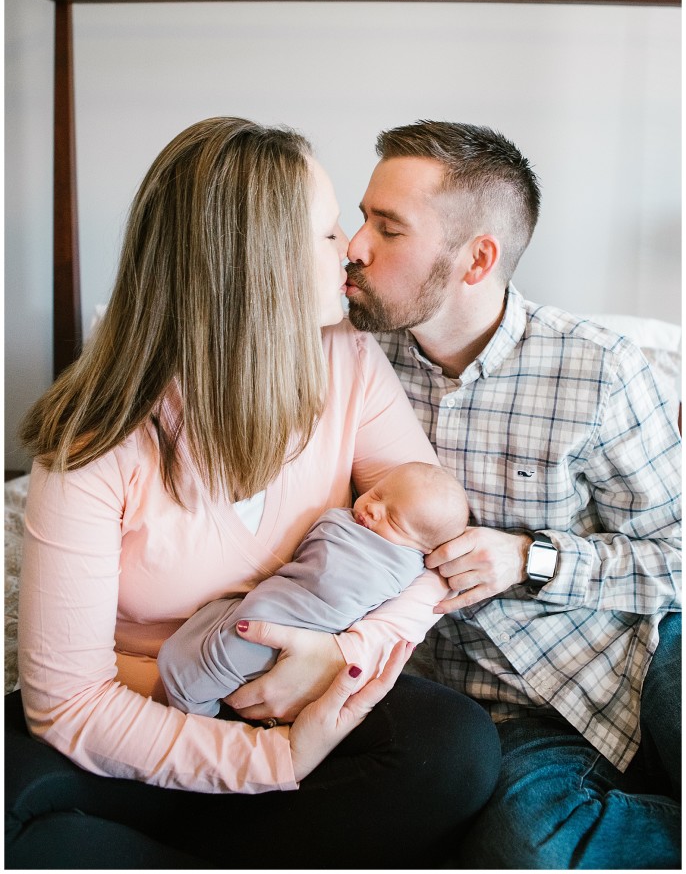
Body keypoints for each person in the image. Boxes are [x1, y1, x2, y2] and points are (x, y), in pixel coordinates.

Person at [6, 117, 501, 870]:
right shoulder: (96, 439)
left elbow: (435, 552)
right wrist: (273, 761)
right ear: (255, 263)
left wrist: (340, 655)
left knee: (455, 752)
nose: (353, 251)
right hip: (142, 707)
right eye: (329, 234)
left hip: (300, 692)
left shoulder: (349, 365)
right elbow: (68, 700)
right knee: (21, 819)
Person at [345, 119, 682, 870]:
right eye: (361, 217)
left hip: (640, 648)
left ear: (477, 259)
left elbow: (680, 555)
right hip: (500, 706)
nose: (353, 246)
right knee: (525, 853)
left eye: (387, 228)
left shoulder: (601, 369)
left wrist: (529, 561)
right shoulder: (351, 364)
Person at [159, 461, 470, 716]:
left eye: (395, 520)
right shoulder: (345, 523)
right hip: (271, 601)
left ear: (424, 549)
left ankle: (193, 716)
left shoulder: (406, 565)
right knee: (211, 632)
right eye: (376, 495)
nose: (374, 510)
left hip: (309, 629)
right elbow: (314, 550)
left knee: (216, 664)